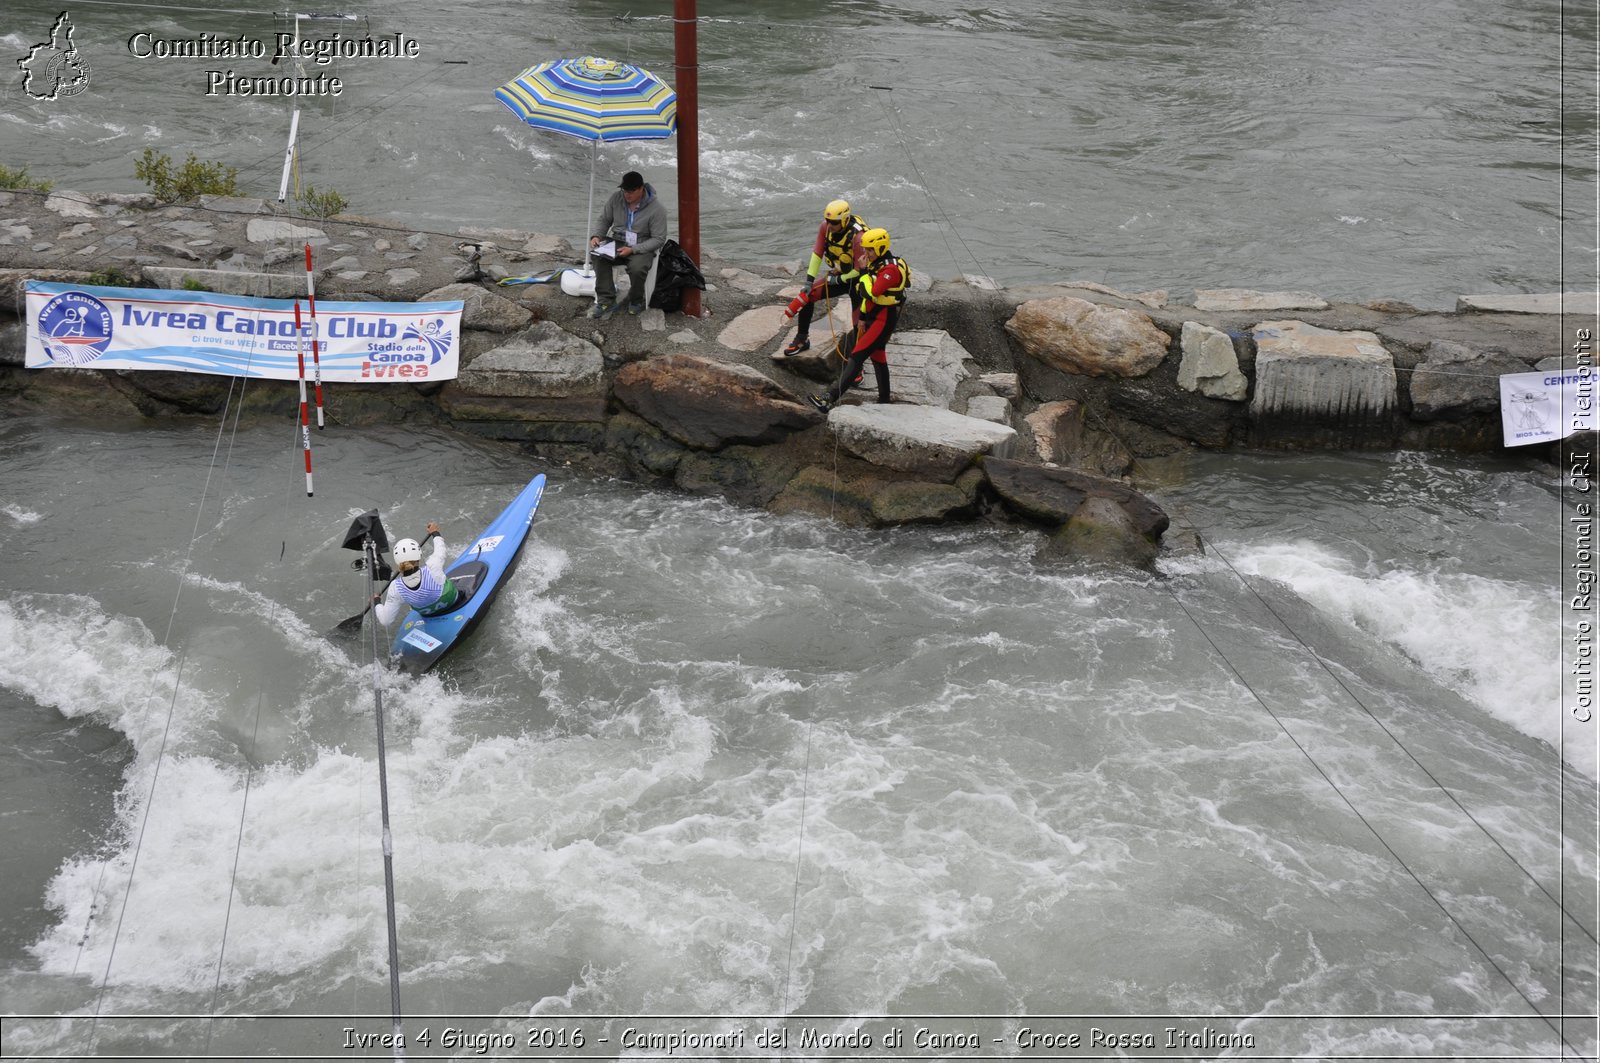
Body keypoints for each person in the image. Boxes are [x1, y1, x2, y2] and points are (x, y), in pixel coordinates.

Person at [808, 227, 910, 412]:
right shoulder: (876, 264)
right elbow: (867, 298)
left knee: (857, 356)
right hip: (872, 317)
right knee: (878, 357)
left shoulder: (890, 269)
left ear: (880, 248)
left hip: (883, 319)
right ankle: (885, 400)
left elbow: (871, 292)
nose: (866, 254)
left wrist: (862, 272)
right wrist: (862, 317)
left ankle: (828, 398)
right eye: (865, 249)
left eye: (870, 250)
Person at [774, 198, 869, 360]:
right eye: (828, 220)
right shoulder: (825, 228)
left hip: (859, 280)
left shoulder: (858, 237)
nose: (830, 225)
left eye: (834, 222)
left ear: (845, 220)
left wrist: (838, 281)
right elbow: (817, 253)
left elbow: (860, 270)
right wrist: (809, 281)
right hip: (840, 275)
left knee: (858, 321)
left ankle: (857, 362)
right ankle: (802, 339)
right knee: (808, 297)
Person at [587, 170, 669, 320]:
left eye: (631, 191)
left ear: (641, 188)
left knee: (637, 268)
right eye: (625, 190)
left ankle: (636, 299)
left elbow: (658, 239)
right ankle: (606, 300)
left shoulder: (657, 209)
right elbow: (604, 220)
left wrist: (633, 249)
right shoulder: (616, 198)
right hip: (617, 241)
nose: (627, 194)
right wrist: (596, 236)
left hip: (641, 245)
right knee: (597, 256)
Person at [372, 521, 460, 625]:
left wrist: (376, 601)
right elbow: (441, 550)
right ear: (419, 555)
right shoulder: (433, 566)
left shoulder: (395, 587)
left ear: (397, 562)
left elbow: (386, 621)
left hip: (429, 615)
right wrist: (435, 532)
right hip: (454, 603)